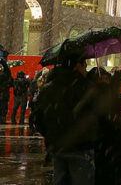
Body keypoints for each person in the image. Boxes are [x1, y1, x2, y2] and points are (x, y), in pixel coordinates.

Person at [35, 45, 99, 185]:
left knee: (60, 179)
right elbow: (96, 115)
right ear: (77, 66)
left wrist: (51, 135)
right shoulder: (85, 87)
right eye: (84, 65)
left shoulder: (48, 88)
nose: (85, 69)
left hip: (58, 146)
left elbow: (37, 118)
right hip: (81, 146)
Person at [91, 67, 121, 185]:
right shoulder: (93, 97)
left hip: (112, 143)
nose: (104, 80)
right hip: (106, 143)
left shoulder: (112, 98)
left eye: (106, 78)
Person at [0, 59, 11, 124]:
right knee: (3, 108)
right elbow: (8, 72)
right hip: (4, 96)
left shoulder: (3, 77)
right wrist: (3, 63)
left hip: (3, 96)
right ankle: (2, 120)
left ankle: (2, 120)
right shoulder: (4, 77)